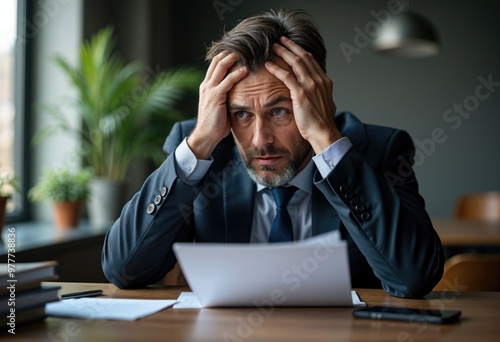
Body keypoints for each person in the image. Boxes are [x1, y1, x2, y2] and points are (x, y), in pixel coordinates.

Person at [101, 8, 444, 298]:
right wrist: (199, 142)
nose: (260, 140)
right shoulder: (205, 156)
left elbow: (413, 279)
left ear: (316, 98)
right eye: (242, 114)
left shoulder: (379, 152)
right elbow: (124, 270)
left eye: (280, 111)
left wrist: (326, 139)